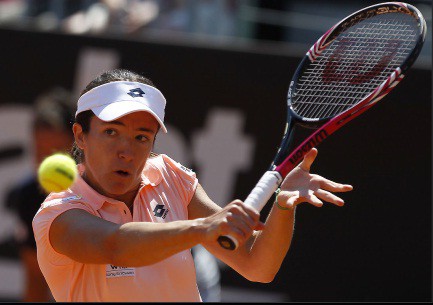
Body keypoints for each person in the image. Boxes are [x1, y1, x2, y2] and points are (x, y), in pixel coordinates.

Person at [32, 69, 353, 302]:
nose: (126, 151)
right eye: (111, 132)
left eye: (141, 137)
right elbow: (116, 246)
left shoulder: (170, 176)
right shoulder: (59, 213)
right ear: (80, 136)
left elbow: (257, 266)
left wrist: (283, 205)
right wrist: (201, 228)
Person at [5, 87, 75, 302]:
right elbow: (35, 278)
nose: (47, 163)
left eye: (56, 152)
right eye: (40, 151)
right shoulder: (28, 196)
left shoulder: (107, 192)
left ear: (78, 144)